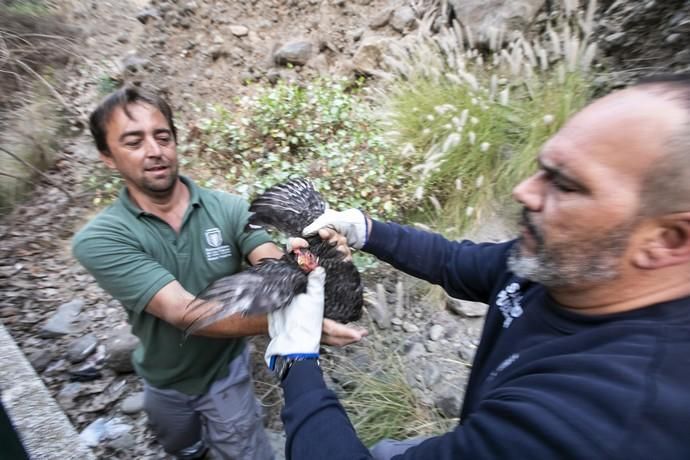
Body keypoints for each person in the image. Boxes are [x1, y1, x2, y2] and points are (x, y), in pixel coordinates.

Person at [264, 75, 690, 459]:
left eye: (565, 184)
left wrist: (295, 361)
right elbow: (455, 262)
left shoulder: (600, 418)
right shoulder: (572, 267)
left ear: (667, 240)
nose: (523, 191)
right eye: (541, 169)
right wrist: (363, 228)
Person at [72, 87, 365, 460]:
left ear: (176, 142)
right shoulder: (100, 239)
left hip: (226, 373)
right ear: (107, 157)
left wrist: (310, 265)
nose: (154, 150)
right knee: (182, 446)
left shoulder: (227, 208)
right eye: (133, 141)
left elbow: (267, 258)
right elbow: (183, 311)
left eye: (163, 137)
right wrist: (290, 323)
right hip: (162, 379)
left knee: (247, 450)